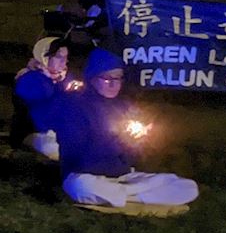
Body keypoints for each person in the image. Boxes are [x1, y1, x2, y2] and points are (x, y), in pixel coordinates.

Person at [53, 49, 198, 210]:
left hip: (124, 178)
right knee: (81, 186)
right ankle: (132, 198)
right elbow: (78, 157)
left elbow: (131, 159)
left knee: (188, 187)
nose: (114, 84)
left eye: (119, 78)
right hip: (86, 175)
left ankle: (120, 197)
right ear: (92, 78)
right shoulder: (75, 108)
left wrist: (137, 143)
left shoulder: (124, 107)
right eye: (107, 78)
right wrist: (118, 142)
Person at [12, 37, 79, 159]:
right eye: (59, 57)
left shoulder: (62, 78)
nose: (64, 62)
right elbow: (42, 114)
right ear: (45, 57)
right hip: (35, 132)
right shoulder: (30, 80)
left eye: (66, 57)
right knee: (64, 150)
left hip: (58, 128)